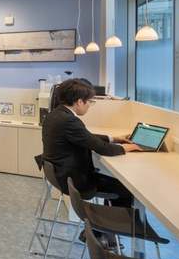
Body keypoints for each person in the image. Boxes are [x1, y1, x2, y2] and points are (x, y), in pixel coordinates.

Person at [42, 78, 140, 210]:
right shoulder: (69, 121)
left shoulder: (55, 114)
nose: (89, 105)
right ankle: (111, 222)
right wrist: (125, 148)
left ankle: (107, 222)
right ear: (79, 101)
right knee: (127, 191)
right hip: (73, 178)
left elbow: (85, 137)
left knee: (119, 186)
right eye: (90, 101)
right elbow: (102, 149)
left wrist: (114, 139)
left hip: (60, 172)